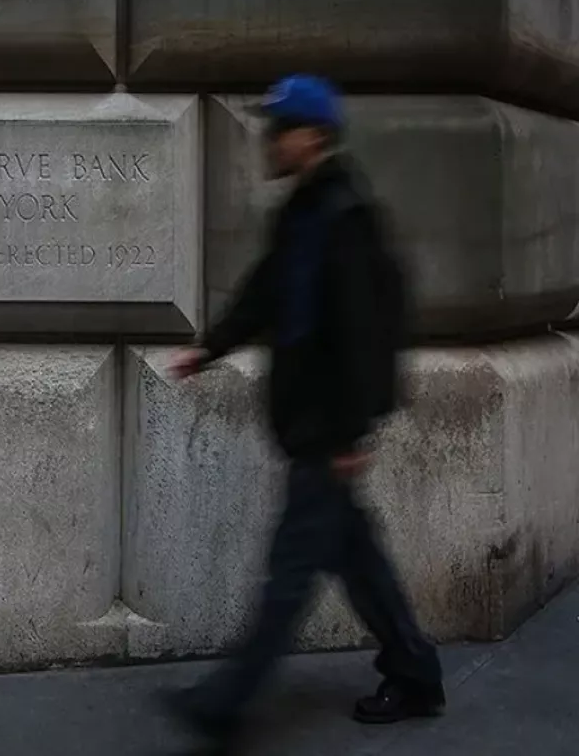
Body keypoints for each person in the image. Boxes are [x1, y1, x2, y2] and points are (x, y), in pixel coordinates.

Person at [163, 75, 444, 753]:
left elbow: (366, 328)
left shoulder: (344, 216)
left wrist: (352, 431)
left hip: (325, 430)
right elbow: (267, 292)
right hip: (310, 426)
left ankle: (223, 705)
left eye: (280, 127)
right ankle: (415, 673)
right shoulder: (304, 212)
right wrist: (211, 347)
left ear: (312, 135)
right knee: (359, 560)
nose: (269, 138)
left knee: (289, 575)